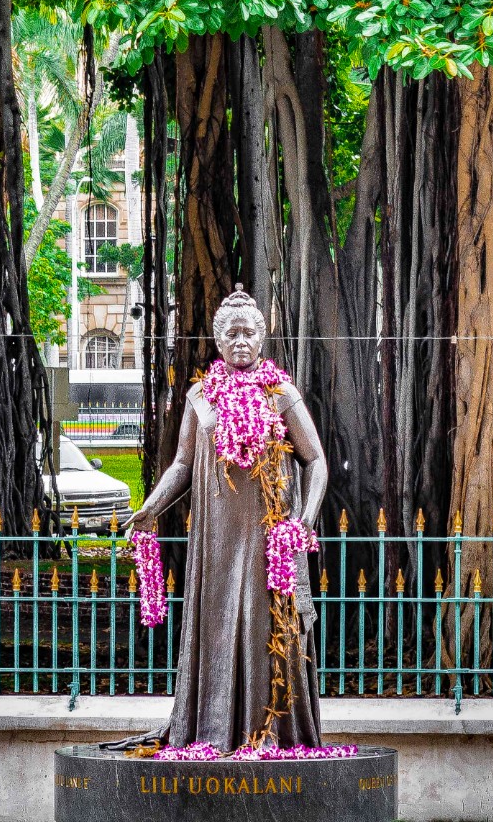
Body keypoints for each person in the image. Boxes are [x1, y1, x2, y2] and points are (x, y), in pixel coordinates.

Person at [129, 287, 328, 753]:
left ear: (263, 337)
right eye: (231, 333)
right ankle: (212, 730)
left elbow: (316, 459)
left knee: (267, 632)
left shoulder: (282, 394)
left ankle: (271, 733)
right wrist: (151, 507)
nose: (240, 340)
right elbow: (181, 464)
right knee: (216, 630)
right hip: (215, 541)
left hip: (268, 542)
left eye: (248, 332)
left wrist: (302, 522)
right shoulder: (201, 398)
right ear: (218, 342)